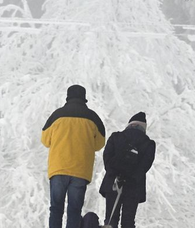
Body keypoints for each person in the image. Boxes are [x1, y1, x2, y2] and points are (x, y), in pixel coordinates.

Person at [41, 85, 106, 228]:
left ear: (68, 97)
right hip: (80, 171)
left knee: (56, 208)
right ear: (84, 98)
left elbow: (45, 140)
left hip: (58, 168)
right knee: (74, 210)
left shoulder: (57, 115)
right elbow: (100, 143)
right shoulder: (93, 118)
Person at [100, 112, 157, 228]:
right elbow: (145, 165)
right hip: (134, 186)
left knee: (111, 219)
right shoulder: (149, 144)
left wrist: (115, 174)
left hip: (113, 183)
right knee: (128, 221)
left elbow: (107, 158)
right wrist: (131, 177)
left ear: (130, 124)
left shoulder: (115, 137)